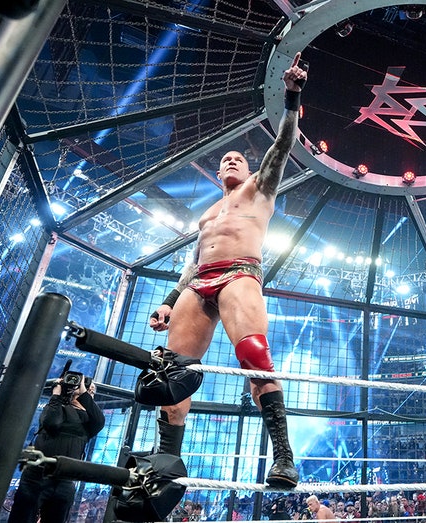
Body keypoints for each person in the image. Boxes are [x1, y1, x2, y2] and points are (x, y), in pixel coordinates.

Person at [148, 52, 308, 488]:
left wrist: (292, 97)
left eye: (239, 158)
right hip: (198, 284)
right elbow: (191, 262)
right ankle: (166, 462)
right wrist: (168, 301)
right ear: (218, 172)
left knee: (255, 357)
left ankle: (283, 458)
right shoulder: (207, 214)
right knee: (173, 372)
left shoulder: (259, 189)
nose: (233, 161)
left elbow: (282, 145)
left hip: (240, 274)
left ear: (250, 168)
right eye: (226, 160)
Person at [9, 375, 105, 523]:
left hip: (64, 481)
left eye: (91, 392)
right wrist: (56, 395)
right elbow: (51, 423)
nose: (89, 394)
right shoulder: (55, 407)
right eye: (87, 390)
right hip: (36, 478)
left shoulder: (89, 422)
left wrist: (83, 393)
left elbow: (100, 421)